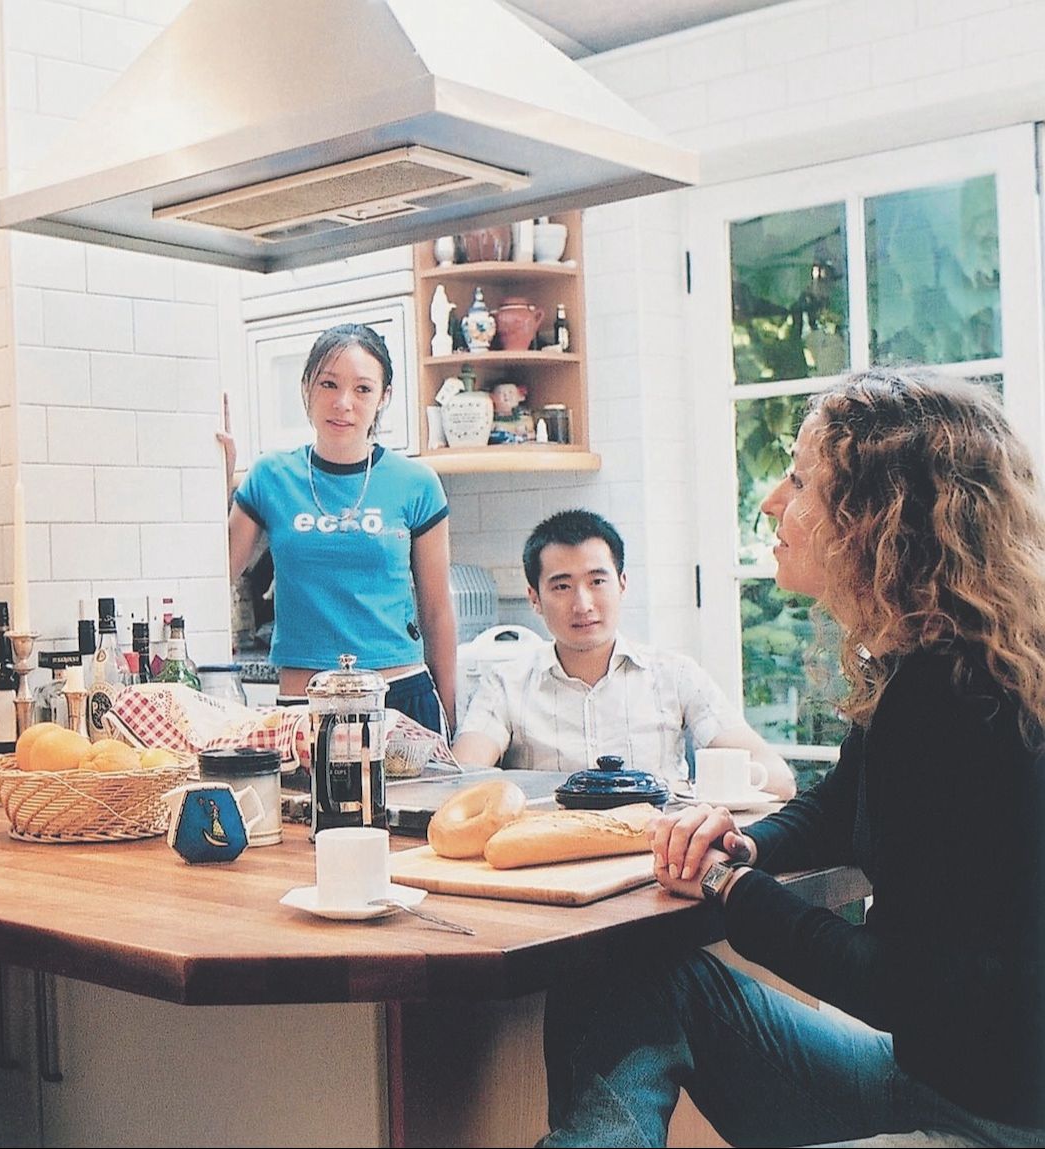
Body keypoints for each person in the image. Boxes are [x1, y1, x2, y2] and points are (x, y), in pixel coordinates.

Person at [541, 370, 1045, 1146]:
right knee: (620, 970)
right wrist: (745, 843)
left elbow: (900, 985)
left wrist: (728, 886)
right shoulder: (953, 659)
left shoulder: (951, 699)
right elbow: (843, 801)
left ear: (878, 518)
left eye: (802, 480)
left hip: (985, 1120)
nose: (775, 501)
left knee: (624, 978)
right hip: (956, 1079)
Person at [452, 510, 795, 798]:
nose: (583, 604)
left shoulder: (675, 675)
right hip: (547, 848)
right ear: (534, 598)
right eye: (562, 586)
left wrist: (687, 791)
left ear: (622, 584)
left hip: (658, 847)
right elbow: (459, 783)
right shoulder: (506, 683)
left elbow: (777, 778)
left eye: (597, 582)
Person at [222, 323, 457, 732]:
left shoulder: (417, 483)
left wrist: (450, 719)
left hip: (400, 697)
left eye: (363, 389)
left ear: (383, 397)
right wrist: (216, 481)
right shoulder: (270, 476)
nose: (343, 403)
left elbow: (437, 613)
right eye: (328, 384)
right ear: (307, 388)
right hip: (303, 705)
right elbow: (215, 575)